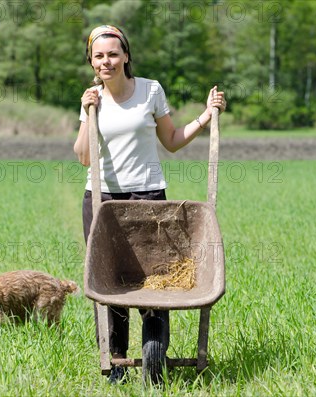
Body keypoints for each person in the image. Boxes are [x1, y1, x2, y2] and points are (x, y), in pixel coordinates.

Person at [74, 25, 227, 384]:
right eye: (99, 56)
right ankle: (115, 366)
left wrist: (205, 116)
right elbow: (83, 157)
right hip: (102, 200)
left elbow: (171, 140)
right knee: (110, 285)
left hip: (147, 199)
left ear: (125, 55)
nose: (106, 61)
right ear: (91, 61)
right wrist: (86, 113)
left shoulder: (150, 90)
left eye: (113, 54)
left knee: (156, 283)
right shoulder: (91, 98)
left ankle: (155, 365)